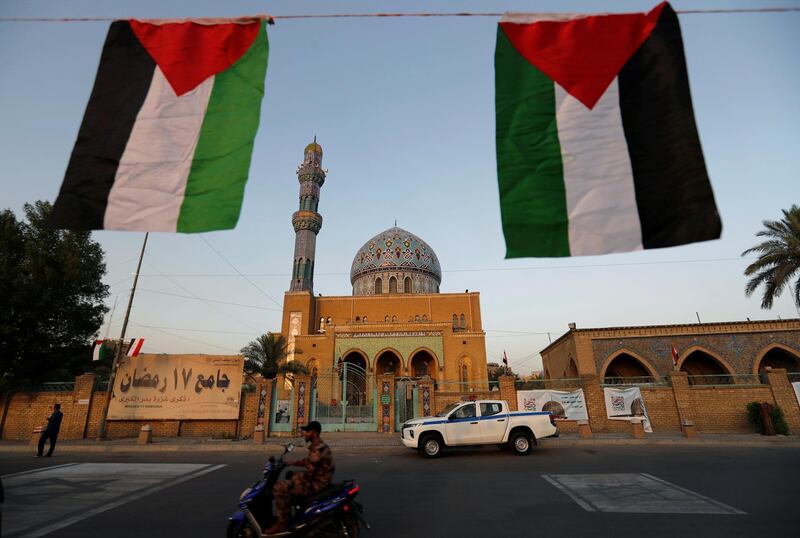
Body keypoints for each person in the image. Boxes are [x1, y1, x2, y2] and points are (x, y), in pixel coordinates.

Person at [265, 421, 335, 535]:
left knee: (280, 487)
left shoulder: (316, 448)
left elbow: (309, 474)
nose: (305, 434)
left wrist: (296, 477)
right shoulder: (319, 445)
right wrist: (294, 463)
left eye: (307, 431)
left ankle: (282, 523)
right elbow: (310, 462)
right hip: (321, 479)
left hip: (317, 484)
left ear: (314, 433)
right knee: (291, 476)